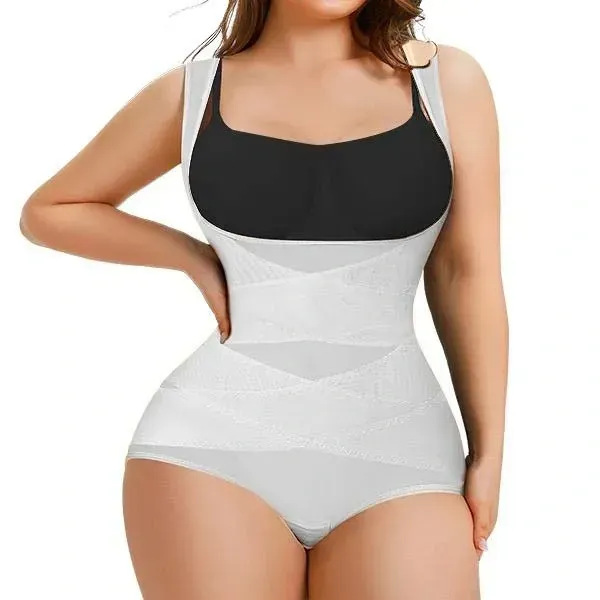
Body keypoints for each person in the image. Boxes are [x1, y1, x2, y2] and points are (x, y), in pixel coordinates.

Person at [20, 0, 507, 598]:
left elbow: (465, 273)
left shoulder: (445, 81)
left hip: (404, 450)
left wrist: (489, 453)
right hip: (211, 450)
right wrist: (191, 256)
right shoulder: (193, 94)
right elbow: (51, 210)